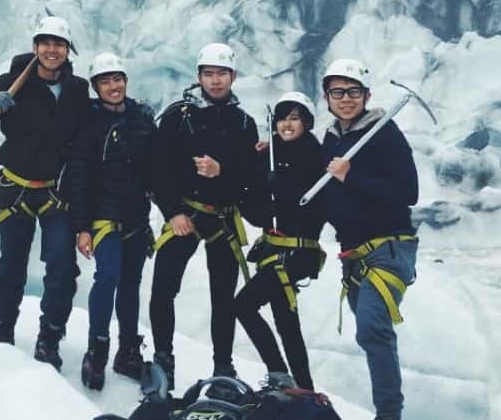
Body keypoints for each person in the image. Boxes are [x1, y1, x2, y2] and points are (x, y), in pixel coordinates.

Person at [0, 16, 89, 370]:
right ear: (35, 47)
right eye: (45, 43)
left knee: (63, 267)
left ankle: (50, 338)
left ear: (67, 50)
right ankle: (3, 329)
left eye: (59, 44)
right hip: (16, 189)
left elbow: (88, 135)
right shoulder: (13, 82)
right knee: (11, 266)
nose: (52, 50)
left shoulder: (77, 90)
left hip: (55, 191)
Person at [148, 43, 261, 390]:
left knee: (223, 297)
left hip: (222, 218)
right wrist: (173, 212)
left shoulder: (244, 123)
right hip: (185, 214)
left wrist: (222, 171)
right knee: (163, 289)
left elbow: (251, 178)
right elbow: (157, 169)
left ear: (233, 77)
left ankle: (223, 364)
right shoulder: (178, 117)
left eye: (222, 74)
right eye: (209, 74)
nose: (215, 81)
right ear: (199, 77)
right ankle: (163, 357)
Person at [320, 59, 419, 420]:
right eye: (338, 92)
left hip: (388, 247)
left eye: (353, 91)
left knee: (373, 328)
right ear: (327, 97)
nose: (345, 99)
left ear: (366, 95)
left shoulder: (384, 132)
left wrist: (351, 176)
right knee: (371, 333)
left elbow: (408, 192)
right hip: (352, 254)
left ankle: (389, 414)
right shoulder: (331, 139)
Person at [69, 52, 157, 390]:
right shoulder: (89, 124)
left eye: (117, 79)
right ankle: (98, 349)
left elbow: (158, 165)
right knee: (107, 277)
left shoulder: (142, 119)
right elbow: (79, 176)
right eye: (105, 82)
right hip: (103, 216)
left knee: (131, 283)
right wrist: (82, 227)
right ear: (96, 87)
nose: (113, 86)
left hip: (136, 217)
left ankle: (128, 350)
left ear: (125, 81)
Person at [234, 91, 327, 392]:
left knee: (243, 306)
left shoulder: (315, 156)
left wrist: (282, 188)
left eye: (295, 118)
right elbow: (258, 211)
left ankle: (280, 375)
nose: (287, 124)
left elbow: (313, 205)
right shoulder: (269, 155)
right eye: (282, 118)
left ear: (306, 123)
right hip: (275, 250)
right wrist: (252, 190)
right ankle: (303, 388)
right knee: (286, 322)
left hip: (296, 251)